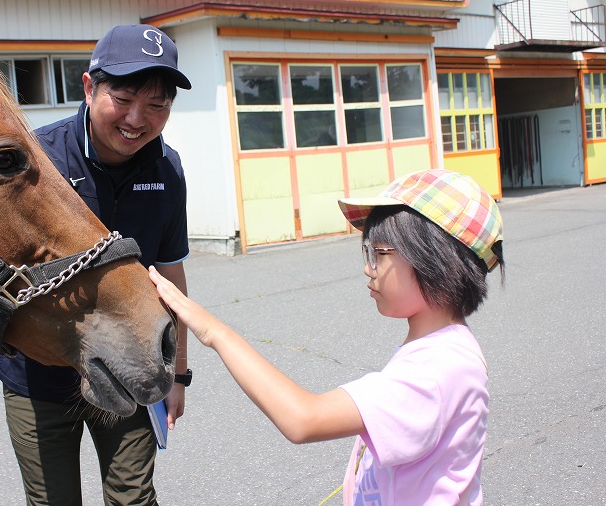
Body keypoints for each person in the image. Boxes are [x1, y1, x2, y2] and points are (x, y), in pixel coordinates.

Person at [149, 169, 505, 505]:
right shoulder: (442, 348)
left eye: (380, 254)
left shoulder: (437, 371)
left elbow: (303, 419)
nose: (368, 268)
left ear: (435, 260)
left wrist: (214, 331)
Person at [0, 24, 193, 506]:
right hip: (38, 374)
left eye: (157, 104)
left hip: (131, 364)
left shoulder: (168, 169)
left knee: (133, 498)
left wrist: (177, 373)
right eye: (122, 98)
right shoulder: (35, 160)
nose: (136, 119)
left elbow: (170, 275)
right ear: (89, 87)